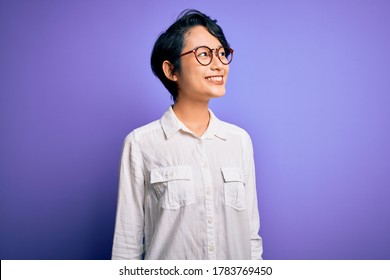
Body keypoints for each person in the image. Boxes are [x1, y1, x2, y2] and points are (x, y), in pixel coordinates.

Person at [111, 9, 263, 260]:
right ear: (171, 71)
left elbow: (251, 238)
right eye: (204, 54)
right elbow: (126, 247)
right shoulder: (140, 144)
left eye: (222, 53)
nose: (218, 64)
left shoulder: (239, 141)